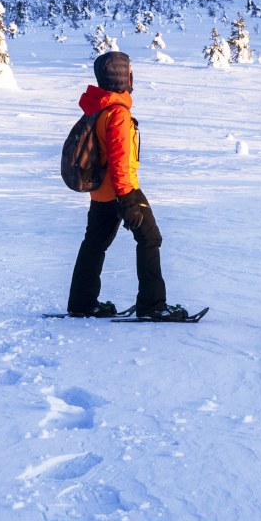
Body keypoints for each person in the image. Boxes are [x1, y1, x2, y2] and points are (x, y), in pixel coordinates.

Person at [68, 51, 192, 320]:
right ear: (123, 76)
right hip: (122, 190)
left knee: (94, 244)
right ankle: (152, 306)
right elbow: (120, 161)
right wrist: (128, 200)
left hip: (100, 192)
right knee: (150, 239)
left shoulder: (98, 106)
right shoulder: (117, 114)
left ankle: (82, 303)